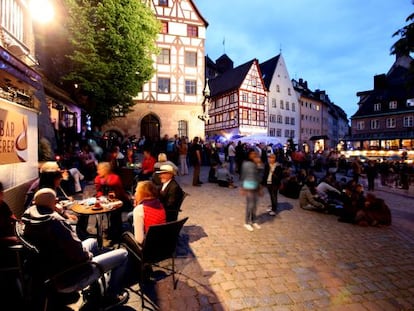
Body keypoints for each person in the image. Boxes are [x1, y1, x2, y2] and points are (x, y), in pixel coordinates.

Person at [21, 188, 129, 308]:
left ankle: (98, 284)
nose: (58, 200)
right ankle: (110, 296)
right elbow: (79, 254)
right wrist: (89, 256)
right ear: (53, 202)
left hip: (53, 270)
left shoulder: (30, 215)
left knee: (92, 241)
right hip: (71, 276)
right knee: (123, 254)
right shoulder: (55, 222)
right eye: (55, 199)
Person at [93, 162, 132, 243]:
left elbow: (120, 193)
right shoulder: (98, 179)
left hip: (119, 200)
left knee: (115, 216)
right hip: (105, 201)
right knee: (105, 214)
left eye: (99, 169)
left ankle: (116, 236)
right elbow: (99, 191)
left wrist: (114, 195)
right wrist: (101, 197)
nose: (97, 171)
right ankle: (111, 232)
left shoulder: (115, 178)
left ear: (105, 170)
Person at [240, 149, 263, 231]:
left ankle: (253, 220)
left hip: (256, 185)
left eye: (255, 154)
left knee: (255, 205)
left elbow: (260, 174)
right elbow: (243, 175)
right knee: (250, 205)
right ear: (249, 155)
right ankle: (246, 222)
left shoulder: (256, 163)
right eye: (252, 154)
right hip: (248, 185)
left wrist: (258, 164)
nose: (254, 155)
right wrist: (242, 187)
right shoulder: (245, 164)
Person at [0, 182, 19, 247]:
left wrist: (20, 225)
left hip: (9, 233)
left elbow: (13, 217)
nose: (2, 194)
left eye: (1, 192)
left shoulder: (2, 204)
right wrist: (9, 239)